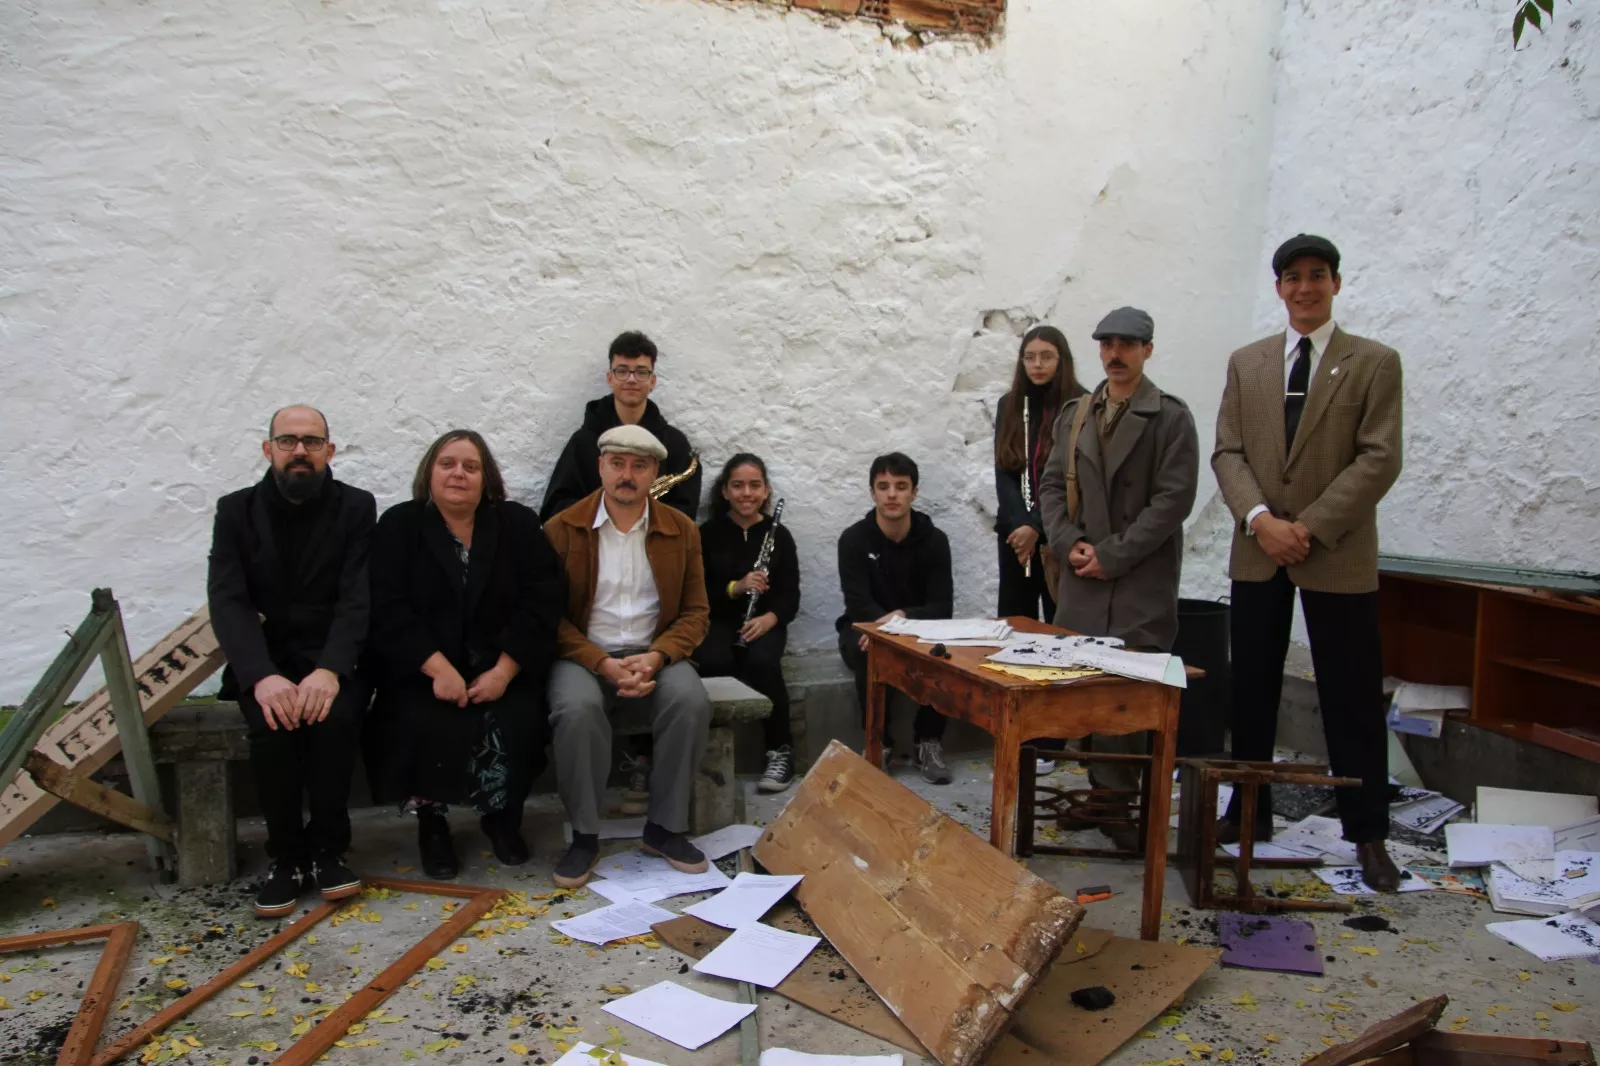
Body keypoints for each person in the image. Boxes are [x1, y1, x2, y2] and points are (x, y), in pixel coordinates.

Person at [1212, 234, 1404, 891]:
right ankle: (1249, 809)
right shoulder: (1248, 363)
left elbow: (1379, 458)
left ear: (1336, 284)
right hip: (1260, 550)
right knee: (1253, 689)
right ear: (1279, 289)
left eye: (1317, 275)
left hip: (1336, 552)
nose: (1304, 287)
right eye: (1292, 277)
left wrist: (1310, 528)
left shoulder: (1374, 363)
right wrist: (1262, 522)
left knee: (1351, 693)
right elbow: (1228, 453)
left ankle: (1368, 832)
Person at [368, 430, 564, 879]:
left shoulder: (516, 524)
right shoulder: (401, 525)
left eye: (470, 467)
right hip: (424, 667)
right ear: (430, 473)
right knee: (420, 718)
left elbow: (542, 600)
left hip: (501, 665)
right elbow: (386, 605)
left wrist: (505, 670)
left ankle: (502, 818)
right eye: (447, 464)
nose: (459, 473)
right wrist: (437, 668)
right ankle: (432, 825)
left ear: (486, 478)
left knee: (517, 719)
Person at [1039, 308, 1200, 850]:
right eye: (1107, 343)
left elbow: (1172, 501)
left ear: (1148, 350)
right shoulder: (1076, 414)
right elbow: (1051, 489)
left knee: (1130, 697)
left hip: (1139, 581)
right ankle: (1099, 795)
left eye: (1128, 344)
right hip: (1083, 578)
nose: (1115, 352)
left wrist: (1114, 555)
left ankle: (1120, 805)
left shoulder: (1171, 418)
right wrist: (1068, 544)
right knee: (1085, 691)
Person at [207, 405, 375, 917]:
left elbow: (356, 597)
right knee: (272, 730)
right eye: (287, 440)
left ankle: (328, 852)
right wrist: (261, 676)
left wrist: (330, 670)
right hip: (268, 661)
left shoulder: (356, 507)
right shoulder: (234, 511)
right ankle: (286, 858)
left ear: (330, 450)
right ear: (268, 449)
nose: (299, 450)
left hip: (332, 657)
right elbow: (228, 599)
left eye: (311, 441)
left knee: (334, 721)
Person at [544, 425, 713, 888]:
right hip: (583, 656)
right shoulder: (562, 529)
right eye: (617, 463)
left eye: (639, 466)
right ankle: (584, 835)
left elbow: (697, 613)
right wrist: (600, 662)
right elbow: (547, 619)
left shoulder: (681, 531)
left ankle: (664, 828)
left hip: (655, 653)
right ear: (600, 466)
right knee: (576, 709)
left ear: (654, 472)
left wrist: (658, 656)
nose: (626, 474)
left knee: (691, 701)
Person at [994, 325, 1087, 776]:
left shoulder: (1082, 406)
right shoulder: (1009, 406)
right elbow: (1004, 473)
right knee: (1015, 627)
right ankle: (1016, 730)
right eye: (1029, 356)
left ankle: (1052, 737)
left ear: (1061, 359)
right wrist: (1018, 527)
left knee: (1057, 631)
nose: (1037, 365)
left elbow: (1073, 483)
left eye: (1046, 356)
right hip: (1015, 537)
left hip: (1057, 538)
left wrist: (1038, 529)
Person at [836, 452, 955, 784]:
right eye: (883, 486)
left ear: (914, 493)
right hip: (865, 627)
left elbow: (942, 606)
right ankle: (879, 745)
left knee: (945, 652)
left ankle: (927, 742)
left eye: (901, 486)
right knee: (868, 651)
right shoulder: (854, 539)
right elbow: (858, 602)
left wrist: (903, 619)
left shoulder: (934, 541)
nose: (892, 494)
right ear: (872, 492)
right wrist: (883, 630)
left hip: (920, 627)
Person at [695, 454, 801, 793]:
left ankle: (780, 751)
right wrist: (736, 587)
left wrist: (770, 618)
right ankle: (704, 755)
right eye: (738, 485)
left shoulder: (778, 535)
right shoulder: (707, 534)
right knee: (712, 661)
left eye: (755, 485)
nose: (746, 493)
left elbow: (790, 594)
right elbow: (697, 590)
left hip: (763, 622)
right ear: (724, 491)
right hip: (718, 620)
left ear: (766, 490)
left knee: (763, 662)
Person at [540, 330, 702, 522]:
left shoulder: (675, 444)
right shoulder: (583, 442)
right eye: (622, 371)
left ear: (653, 381)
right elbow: (556, 507)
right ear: (610, 378)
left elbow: (684, 517)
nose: (631, 379)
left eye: (641, 372)